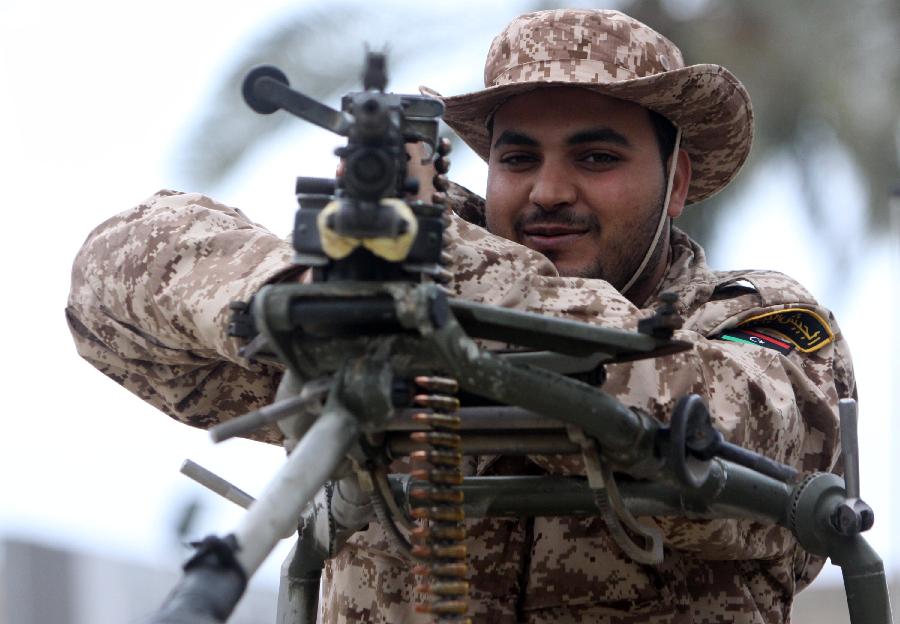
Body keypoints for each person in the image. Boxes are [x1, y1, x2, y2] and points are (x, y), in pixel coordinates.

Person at [66, 8, 854, 624]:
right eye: (517, 159)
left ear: (676, 183)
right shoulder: (387, 317)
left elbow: (736, 436)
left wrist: (447, 266)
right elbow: (112, 283)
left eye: (596, 157)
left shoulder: (755, 321)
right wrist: (304, 287)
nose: (548, 191)